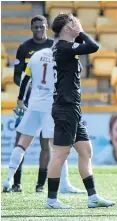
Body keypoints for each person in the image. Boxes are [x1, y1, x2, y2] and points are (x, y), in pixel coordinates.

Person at [46, 13, 115, 209]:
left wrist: (78, 32)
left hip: (73, 108)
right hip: (65, 107)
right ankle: (51, 200)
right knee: (61, 153)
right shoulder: (63, 47)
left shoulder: (64, 47)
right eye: (73, 22)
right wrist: (82, 32)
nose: (77, 23)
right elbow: (94, 46)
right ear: (68, 28)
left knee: (85, 150)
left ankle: (93, 197)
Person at [10, 15, 82, 194]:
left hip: (51, 102)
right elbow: (17, 75)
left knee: (47, 144)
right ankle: (16, 183)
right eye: (35, 27)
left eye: (42, 27)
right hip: (30, 100)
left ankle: (40, 184)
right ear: (31, 28)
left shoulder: (53, 45)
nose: (39, 30)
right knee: (21, 140)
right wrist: (29, 89)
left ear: (47, 27)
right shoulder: (24, 48)